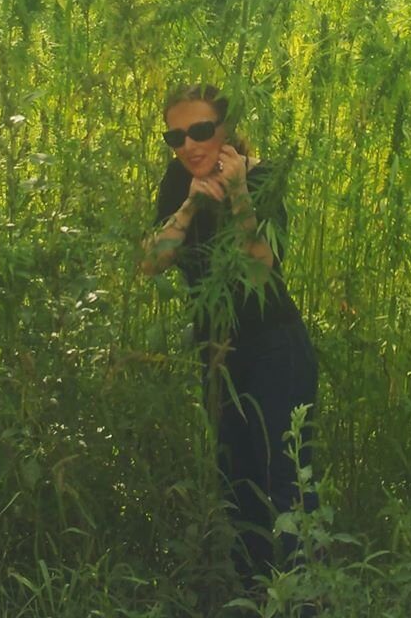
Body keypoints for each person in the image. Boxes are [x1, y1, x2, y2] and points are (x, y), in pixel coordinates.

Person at [140, 84, 318, 585]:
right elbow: (150, 262)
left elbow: (261, 270)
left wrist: (238, 194)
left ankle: (305, 599)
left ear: (226, 128)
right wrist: (189, 208)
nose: (189, 145)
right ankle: (253, 596)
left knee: (286, 483)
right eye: (176, 137)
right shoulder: (179, 180)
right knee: (236, 486)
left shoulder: (263, 177)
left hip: (275, 350)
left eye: (200, 130)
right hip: (216, 352)